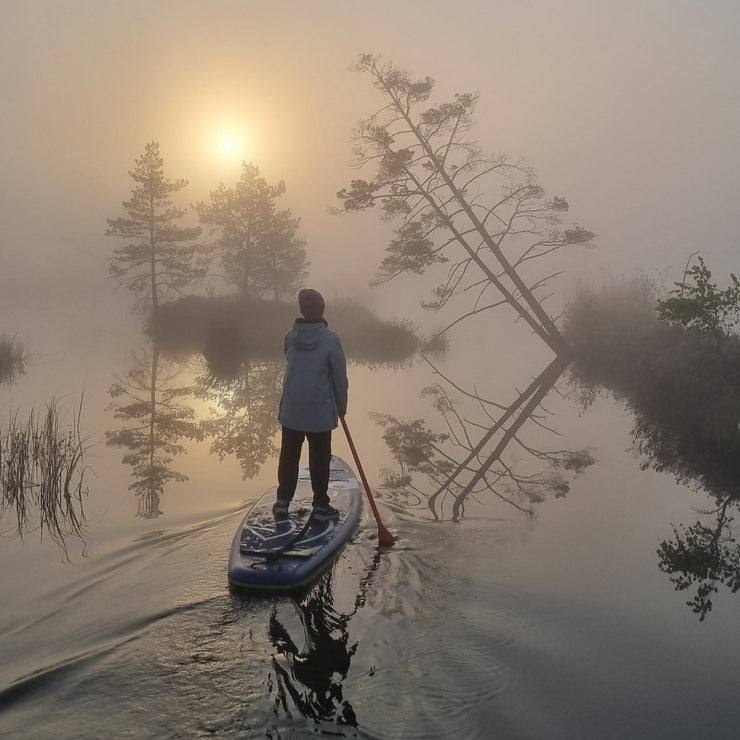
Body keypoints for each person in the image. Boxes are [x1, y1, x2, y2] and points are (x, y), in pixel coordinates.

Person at [273, 288, 348, 521]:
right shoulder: (331, 339)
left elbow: (291, 363)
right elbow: (339, 378)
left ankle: (282, 502)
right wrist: (342, 406)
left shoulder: (290, 336)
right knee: (319, 457)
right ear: (322, 309)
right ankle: (320, 505)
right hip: (318, 410)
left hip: (292, 408)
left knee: (289, 456)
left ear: (302, 311)